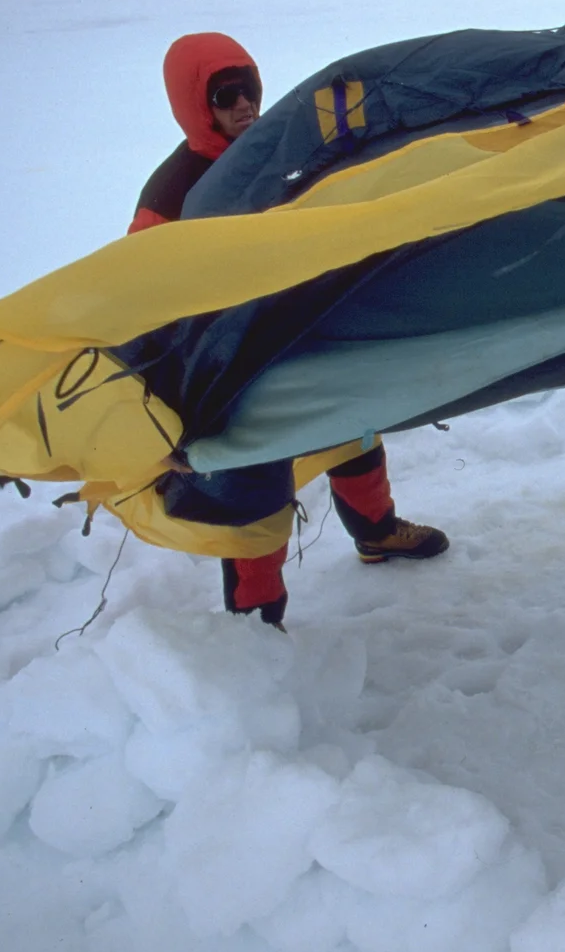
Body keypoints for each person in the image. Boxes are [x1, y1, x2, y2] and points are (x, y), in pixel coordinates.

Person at [134, 32, 450, 627]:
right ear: (194, 105)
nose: (244, 105)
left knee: (351, 428)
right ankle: (257, 619)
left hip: (296, 333)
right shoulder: (172, 195)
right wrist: (167, 404)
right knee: (254, 483)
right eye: (225, 96)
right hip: (228, 367)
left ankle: (376, 533)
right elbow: (142, 303)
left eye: (249, 89)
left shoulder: (277, 153)